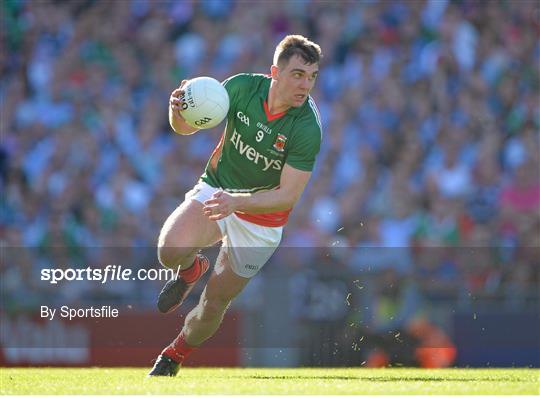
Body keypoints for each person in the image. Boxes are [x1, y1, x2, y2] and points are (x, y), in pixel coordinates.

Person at [148, 34, 323, 376]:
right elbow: (185, 127)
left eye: (312, 76)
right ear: (275, 72)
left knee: (214, 303)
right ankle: (190, 270)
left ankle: (174, 355)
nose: (306, 84)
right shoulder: (242, 88)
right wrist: (178, 112)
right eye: (298, 74)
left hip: (262, 221)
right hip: (219, 187)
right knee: (169, 251)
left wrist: (237, 203)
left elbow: (287, 196)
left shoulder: (307, 128)